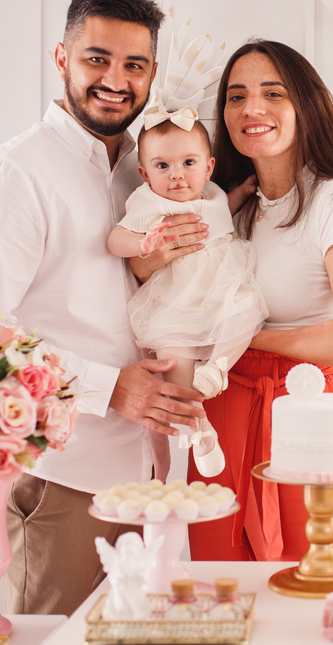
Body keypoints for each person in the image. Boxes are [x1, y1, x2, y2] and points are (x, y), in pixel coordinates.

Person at [0, 0, 208, 645]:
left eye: (134, 65)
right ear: (60, 58)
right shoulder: (17, 173)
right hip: (60, 479)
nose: (115, 80)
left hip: (146, 473)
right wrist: (107, 385)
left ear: (152, 75)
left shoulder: (142, 168)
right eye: (97, 59)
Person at [135, 39, 333, 562]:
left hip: (304, 408)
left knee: (307, 573)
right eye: (236, 96)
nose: (252, 108)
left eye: (273, 93)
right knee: (221, 578)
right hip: (224, 404)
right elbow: (152, 273)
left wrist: (244, 339)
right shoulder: (223, 205)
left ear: (306, 105)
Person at [107, 117, 267, 477]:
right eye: (162, 166)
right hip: (175, 295)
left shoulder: (213, 193)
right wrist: (143, 243)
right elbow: (115, 239)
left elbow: (223, 212)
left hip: (221, 283)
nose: (177, 175)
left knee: (245, 314)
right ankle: (198, 426)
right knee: (172, 355)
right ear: (145, 174)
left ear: (208, 168)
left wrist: (243, 192)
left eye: (188, 163)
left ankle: (217, 367)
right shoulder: (149, 202)